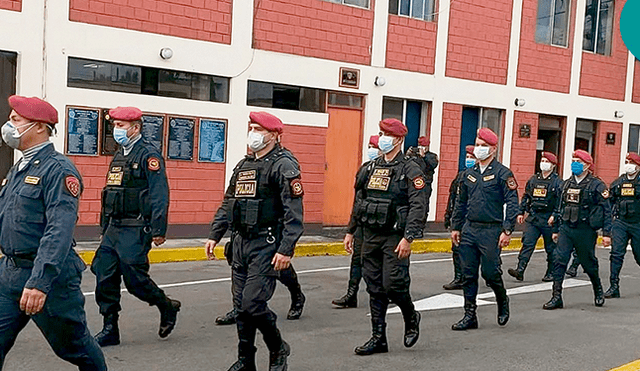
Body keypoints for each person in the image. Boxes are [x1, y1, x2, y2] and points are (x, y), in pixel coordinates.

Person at [0, 96, 106, 370]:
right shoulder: (20, 168)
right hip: (10, 274)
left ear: (37, 127)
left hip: (49, 278)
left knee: (75, 348)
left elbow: (58, 230)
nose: (8, 125)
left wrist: (39, 282)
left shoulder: (58, 170)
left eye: (15, 120)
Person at [205, 111, 304, 371]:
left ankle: (278, 348)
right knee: (240, 307)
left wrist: (286, 249)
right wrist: (215, 234)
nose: (253, 134)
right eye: (251, 128)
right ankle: (246, 360)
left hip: (266, 243)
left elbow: (293, 212)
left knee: (253, 303)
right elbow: (229, 203)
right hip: (240, 244)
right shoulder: (244, 165)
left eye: (258, 130)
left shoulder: (284, 165)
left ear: (273, 135)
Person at [92, 107, 180, 346]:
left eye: (121, 126)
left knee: (135, 280)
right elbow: (109, 193)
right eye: (115, 125)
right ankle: (110, 327)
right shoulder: (119, 155)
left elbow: (159, 194)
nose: (116, 130)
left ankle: (166, 305)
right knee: (104, 275)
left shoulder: (148, 155)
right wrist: (104, 227)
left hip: (136, 225)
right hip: (114, 227)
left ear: (136, 128)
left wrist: (159, 229)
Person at [344, 118, 426, 355]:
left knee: (393, 285)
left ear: (399, 139)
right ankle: (378, 338)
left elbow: (417, 205)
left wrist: (408, 237)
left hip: (394, 236)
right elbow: (359, 202)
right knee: (374, 287)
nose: (382, 139)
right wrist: (351, 230)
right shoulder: (369, 168)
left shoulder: (410, 168)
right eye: (380, 133)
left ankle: (411, 316)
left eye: (386, 134)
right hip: (370, 234)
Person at [450, 128, 519, 331]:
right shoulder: (468, 174)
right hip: (470, 228)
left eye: (483, 146)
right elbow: (460, 202)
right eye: (477, 145)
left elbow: (512, 203)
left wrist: (507, 230)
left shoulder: (503, 173)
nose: (479, 149)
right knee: (468, 273)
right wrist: (456, 227)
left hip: (491, 230)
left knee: (490, 273)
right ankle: (469, 315)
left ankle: (502, 300)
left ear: (493, 149)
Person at [543, 150, 612, 310]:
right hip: (566, 229)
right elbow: (560, 208)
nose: (575, 163)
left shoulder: (597, 185)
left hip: (585, 231)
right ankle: (556, 297)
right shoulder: (566, 184)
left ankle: (598, 290)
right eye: (573, 160)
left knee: (589, 264)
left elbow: (606, 210)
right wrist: (555, 230)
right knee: (559, 261)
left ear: (587, 165)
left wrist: (607, 234)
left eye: (578, 161)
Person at [332, 135, 380, 308]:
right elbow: (357, 202)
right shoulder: (365, 169)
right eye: (370, 146)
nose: (372, 149)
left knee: (377, 263)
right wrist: (350, 231)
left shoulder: (394, 168)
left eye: (374, 146)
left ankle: (383, 293)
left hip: (382, 226)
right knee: (357, 260)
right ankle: (351, 295)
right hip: (363, 224)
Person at [507, 152, 562, 282]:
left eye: (546, 161)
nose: (543, 163)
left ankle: (551, 272)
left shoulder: (557, 182)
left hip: (548, 219)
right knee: (527, 243)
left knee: (550, 248)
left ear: (553, 165)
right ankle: (520, 270)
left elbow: (560, 202)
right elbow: (526, 196)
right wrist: (521, 212)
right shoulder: (534, 179)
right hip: (534, 217)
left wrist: (555, 215)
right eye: (542, 160)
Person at [215, 263, 306, 324]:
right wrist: (214, 237)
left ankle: (297, 295)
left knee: (277, 264)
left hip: (268, 238)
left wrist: (286, 250)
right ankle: (239, 309)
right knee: (239, 266)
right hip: (243, 239)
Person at [603, 152, 640, 298]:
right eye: (627, 161)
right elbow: (610, 201)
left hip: (638, 223)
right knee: (616, 254)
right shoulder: (618, 182)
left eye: (631, 162)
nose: (628, 165)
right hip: (621, 222)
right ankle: (614, 286)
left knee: (639, 255)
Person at [442, 145, 475, 290]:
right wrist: (449, 215)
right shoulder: (460, 175)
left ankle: (472, 277)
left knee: (472, 251)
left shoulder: (477, 176)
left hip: (472, 219)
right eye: (467, 157)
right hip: (459, 218)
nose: (468, 160)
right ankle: (459, 278)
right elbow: (453, 197)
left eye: (471, 158)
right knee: (456, 249)